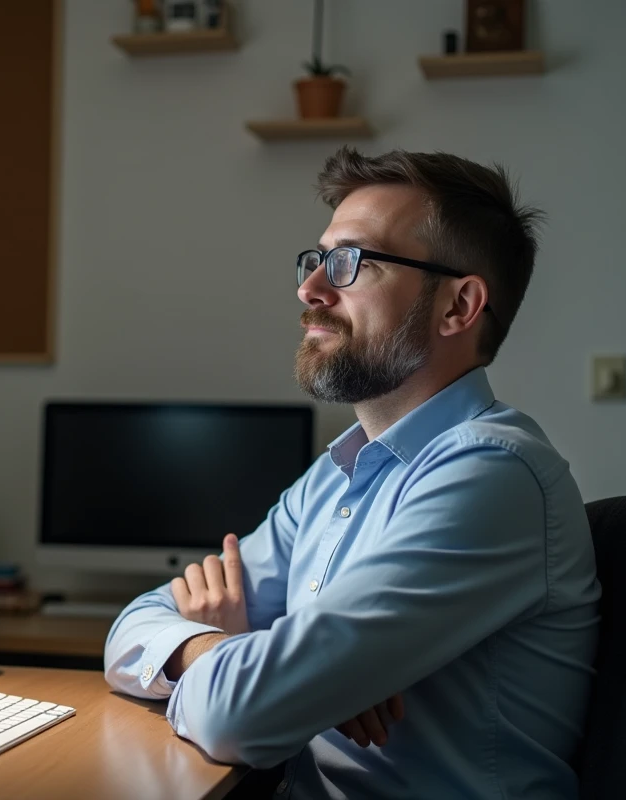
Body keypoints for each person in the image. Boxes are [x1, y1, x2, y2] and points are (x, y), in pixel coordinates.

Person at [104, 148, 600, 799]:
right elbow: (131, 629)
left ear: (458, 306)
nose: (310, 289)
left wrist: (271, 672)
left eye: (352, 262)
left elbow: (238, 714)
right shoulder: (335, 475)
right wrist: (234, 653)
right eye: (317, 259)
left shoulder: (491, 475)